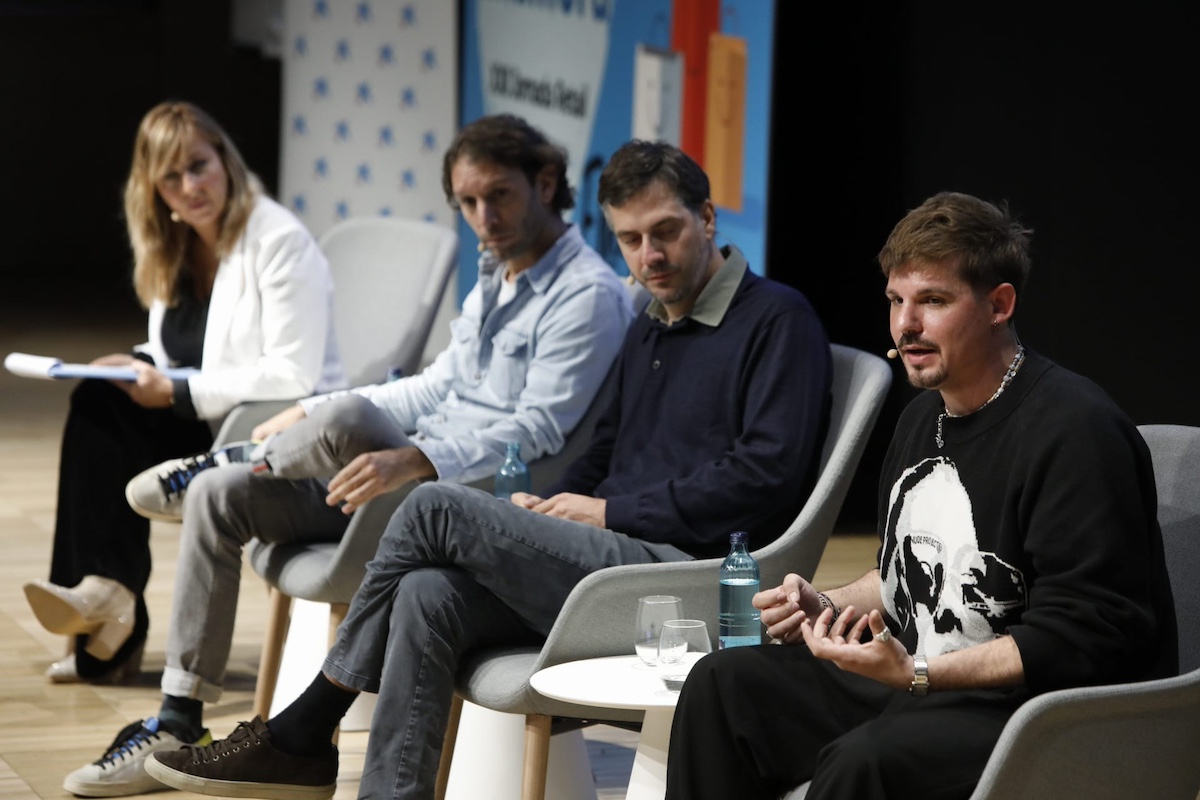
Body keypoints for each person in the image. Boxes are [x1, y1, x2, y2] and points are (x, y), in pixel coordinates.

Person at [140, 140, 832, 800]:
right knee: (426, 595)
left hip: (689, 577)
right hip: (610, 557)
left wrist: (606, 512)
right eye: (629, 239)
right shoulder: (649, 321)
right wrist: (555, 505)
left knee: (430, 505)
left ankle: (308, 725)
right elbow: (606, 449)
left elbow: (761, 477)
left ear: (709, 220)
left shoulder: (778, 319)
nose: (649, 255)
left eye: (666, 231)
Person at [59, 114, 634, 798]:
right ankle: (180, 716)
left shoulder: (586, 294)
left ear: (545, 184)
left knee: (352, 414)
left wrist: (416, 458)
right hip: (399, 477)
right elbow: (438, 384)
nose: (484, 217)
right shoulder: (498, 272)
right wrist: (313, 411)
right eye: (469, 202)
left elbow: (538, 431)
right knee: (226, 494)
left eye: (499, 196)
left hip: (479, 492)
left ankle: (227, 456)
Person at [662, 192, 1179, 800]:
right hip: (924, 677)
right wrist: (822, 603)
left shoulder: (1076, 431)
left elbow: (1083, 637)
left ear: (999, 305)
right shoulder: (920, 420)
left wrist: (917, 674)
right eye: (896, 301)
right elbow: (894, 576)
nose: (906, 325)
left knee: (866, 762)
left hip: (1040, 709)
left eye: (932, 301)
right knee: (724, 685)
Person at [21, 101, 344, 686]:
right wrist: (138, 364)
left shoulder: (278, 239)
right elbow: (182, 351)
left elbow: (292, 376)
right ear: (154, 189)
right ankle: (102, 592)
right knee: (98, 399)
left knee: (105, 415)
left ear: (225, 157)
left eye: (199, 165)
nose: (190, 186)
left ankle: (107, 613)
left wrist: (174, 388)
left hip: (271, 428)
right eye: (171, 177)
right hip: (207, 412)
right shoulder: (173, 246)